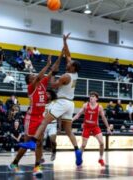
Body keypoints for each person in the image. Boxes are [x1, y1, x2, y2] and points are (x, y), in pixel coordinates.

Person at [19, 33, 83, 167]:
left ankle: (32, 141)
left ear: (73, 67)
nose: (68, 62)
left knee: (44, 121)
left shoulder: (66, 76)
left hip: (62, 101)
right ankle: (77, 150)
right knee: (68, 130)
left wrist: (53, 74)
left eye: (70, 63)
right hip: (71, 103)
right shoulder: (75, 73)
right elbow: (68, 54)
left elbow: (53, 85)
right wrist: (64, 43)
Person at [9, 52, 61, 177]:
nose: (34, 76)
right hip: (31, 118)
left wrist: (52, 63)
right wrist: (47, 65)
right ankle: (14, 163)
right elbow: (39, 77)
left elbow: (49, 75)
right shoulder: (30, 88)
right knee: (28, 143)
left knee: (39, 142)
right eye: (32, 76)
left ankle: (37, 167)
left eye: (34, 75)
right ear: (30, 81)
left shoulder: (42, 84)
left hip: (40, 117)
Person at [72, 91, 112, 167]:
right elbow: (78, 114)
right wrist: (72, 120)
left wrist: (108, 127)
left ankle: (100, 158)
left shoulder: (99, 107)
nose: (91, 97)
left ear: (96, 98)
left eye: (93, 96)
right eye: (90, 96)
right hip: (86, 127)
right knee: (83, 145)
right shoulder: (85, 105)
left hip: (95, 127)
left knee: (102, 143)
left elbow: (103, 118)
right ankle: (79, 158)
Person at [43, 89, 58, 161]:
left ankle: (54, 152)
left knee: (53, 141)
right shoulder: (42, 103)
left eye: (48, 94)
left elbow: (59, 115)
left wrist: (60, 127)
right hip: (43, 124)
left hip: (53, 124)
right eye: (46, 94)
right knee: (41, 141)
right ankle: (41, 156)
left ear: (51, 96)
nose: (47, 95)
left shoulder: (54, 103)